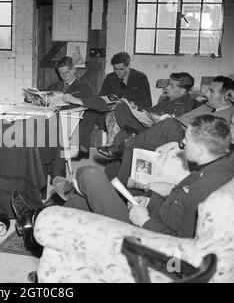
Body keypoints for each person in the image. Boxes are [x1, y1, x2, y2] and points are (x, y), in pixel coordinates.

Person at [12, 114, 234, 249]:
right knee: (78, 204)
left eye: (185, 143)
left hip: (143, 235)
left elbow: (183, 247)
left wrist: (144, 221)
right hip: (150, 215)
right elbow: (180, 201)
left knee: (89, 174)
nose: (180, 146)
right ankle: (37, 229)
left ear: (202, 149)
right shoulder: (218, 167)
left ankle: (63, 193)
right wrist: (156, 198)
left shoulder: (210, 193)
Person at [109, 75, 234, 185]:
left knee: (169, 124)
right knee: (125, 140)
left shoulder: (229, 117)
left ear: (227, 96)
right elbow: (181, 120)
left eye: (211, 91)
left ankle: (124, 145)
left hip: (190, 143)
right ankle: (113, 185)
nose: (206, 94)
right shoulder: (205, 108)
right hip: (174, 132)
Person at [97, 72, 196, 159]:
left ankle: (121, 146)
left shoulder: (188, 104)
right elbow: (152, 110)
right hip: (147, 123)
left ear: (182, 90)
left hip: (156, 131)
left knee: (122, 135)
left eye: (171, 86)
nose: (166, 88)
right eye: (168, 84)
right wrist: (136, 108)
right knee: (121, 106)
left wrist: (159, 118)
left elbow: (176, 124)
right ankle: (131, 131)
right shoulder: (167, 98)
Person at [26, 56, 108, 160]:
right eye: (61, 73)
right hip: (54, 123)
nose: (64, 76)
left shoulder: (84, 87)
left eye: (67, 72)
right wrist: (32, 98)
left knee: (46, 149)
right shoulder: (55, 86)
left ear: (74, 69)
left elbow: (102, 104)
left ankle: (58, 154)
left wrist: (75, 100)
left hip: (70, 125)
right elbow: (43, 98)